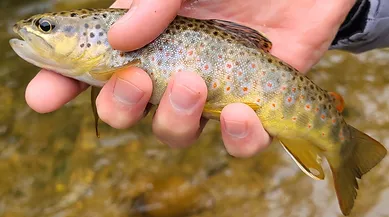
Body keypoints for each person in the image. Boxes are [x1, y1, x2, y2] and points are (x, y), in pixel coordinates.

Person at [24, 0, 388, 157]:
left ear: (93, 33)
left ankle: (344, 146)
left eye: (46, 27)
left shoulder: (113, 41)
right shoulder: (102, 57)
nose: (36, 31)